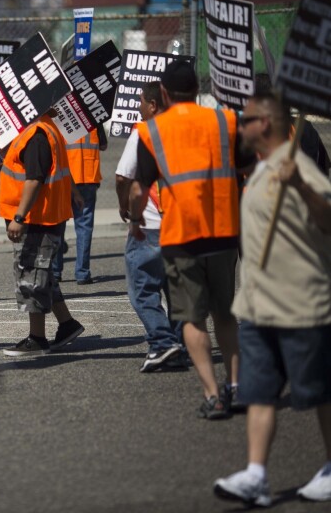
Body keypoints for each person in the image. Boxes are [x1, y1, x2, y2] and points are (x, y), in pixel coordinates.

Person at [213, 92, 331, 506]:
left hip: (301, 307)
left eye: (244, 121)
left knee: (319, 393)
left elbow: (328, 220)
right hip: (258, 310)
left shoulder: (303, 171)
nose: (239, 128)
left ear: (264, 124)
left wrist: (300, 184)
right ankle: (256, 475)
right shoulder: (262, 171)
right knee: (258, 393)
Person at [131, 60, 252, 419]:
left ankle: (213, 395)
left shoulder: (152, 131)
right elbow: (247, 168)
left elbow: (140, 187)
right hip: (225, 232)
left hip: (182, 236)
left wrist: (136, 219)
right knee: (225, 315)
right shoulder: (225, 120)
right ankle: (238, 387)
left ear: (164, 93)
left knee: (192, 319)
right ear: (197, 91)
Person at [0, 108, 86, 357]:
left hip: (37, 219)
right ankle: (67, 324)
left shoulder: (35, 135)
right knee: (43, 274)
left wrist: (19, 217)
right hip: (47, 216)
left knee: (32, 276)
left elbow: (34, 179)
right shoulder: (48, 129)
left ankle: (37, 339)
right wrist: (74, 193)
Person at [115, 82, 185, 372]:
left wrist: (127, 209)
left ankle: (161, 342)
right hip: (183, 222)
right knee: (177, 290)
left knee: (143, 289)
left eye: (141, 101)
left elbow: (123, 177)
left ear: (153, 105)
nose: (138, 107)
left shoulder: (144, 132)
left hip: (151, 221)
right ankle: (179, 345)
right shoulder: (186, 130)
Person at [52, 124, 107, 285]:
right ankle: (82, 273)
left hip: (64, 177)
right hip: (87, 176)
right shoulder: (95, 116)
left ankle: (55, 271)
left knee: (58, 224)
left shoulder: (58, 117)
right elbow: (103, 145)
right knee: (84, 227)